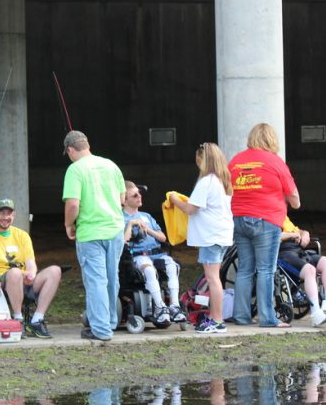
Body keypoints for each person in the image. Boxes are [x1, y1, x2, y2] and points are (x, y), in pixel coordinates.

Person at [227, 123, 308, 328]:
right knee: (266, 270)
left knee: (245, 269)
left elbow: (226, 191)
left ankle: (242, 316)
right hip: (266, 220)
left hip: (238, 218)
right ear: (272, 139)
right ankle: (267, 318)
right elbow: (294, 197)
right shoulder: (275, 162)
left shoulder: (236, 161)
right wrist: (292, 203)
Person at [62, 130, 126, 342]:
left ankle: (100, 329)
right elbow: (122, 198)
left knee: (96, 280)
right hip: (115, 230)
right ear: (87, 145)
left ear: (71, 149)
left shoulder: (75, 170)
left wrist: (68, 224)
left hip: (90, 233)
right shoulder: (111, 165)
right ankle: (108, 322)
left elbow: (72, 204)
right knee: (111, 278)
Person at [0, 198, 62, 338]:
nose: (5, 217)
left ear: (14, 215)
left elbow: (31, 265)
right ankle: (18, 319)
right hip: (0, 286)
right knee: (14, 272)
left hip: (24, 283)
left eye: (9, 213)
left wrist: (31, 274)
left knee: (55, 271)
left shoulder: (22, 236)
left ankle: (37, 320)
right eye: (2, 213)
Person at [168, 142, 233, 334]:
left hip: (210, 236)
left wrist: (174, 200)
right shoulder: (223, 181)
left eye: (198, 160)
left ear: (203, 160)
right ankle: (214, 317)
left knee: (213, 279)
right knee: (215, 278)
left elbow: (190, 208)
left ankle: (217, 320)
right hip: (222, 235)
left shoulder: (206, 181)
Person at [122, 181, 186, 324]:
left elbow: (163, 237)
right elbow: (122, 242)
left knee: (172, 266)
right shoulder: (121, 218)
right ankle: (160, 306)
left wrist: (148, 230)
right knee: (149, 270)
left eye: (139, 194)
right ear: (124, 201)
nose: (139, 197)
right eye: (134, 196)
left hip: (156, 253)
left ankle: (175, 306)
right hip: (138, 255)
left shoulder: (147, 216)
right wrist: (131, 225)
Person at [279, 217, 326, 321]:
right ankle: (315, 312)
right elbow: (271, 237)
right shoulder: (268, 215)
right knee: (310, 270)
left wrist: (304, 233)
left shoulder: (283, 214)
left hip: (298, 251)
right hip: (283, 253)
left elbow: (295, 230)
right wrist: (292, 235)